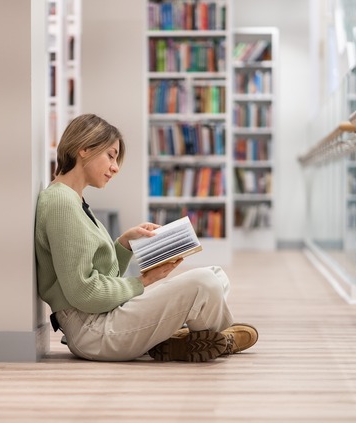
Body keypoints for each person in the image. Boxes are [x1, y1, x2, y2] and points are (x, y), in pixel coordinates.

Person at [34, 113, 258, 362]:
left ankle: (181, 338)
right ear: (84, 148)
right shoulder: (62, 203)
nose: (115, 167)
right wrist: (145, 280)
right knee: (204, 283)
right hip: (94, 331)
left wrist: (124, 244)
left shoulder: (73, 200)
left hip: (104, 316)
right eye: (111, 155)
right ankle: (221, 338)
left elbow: (99, 275)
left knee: (216, 274)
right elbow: (84, 292)